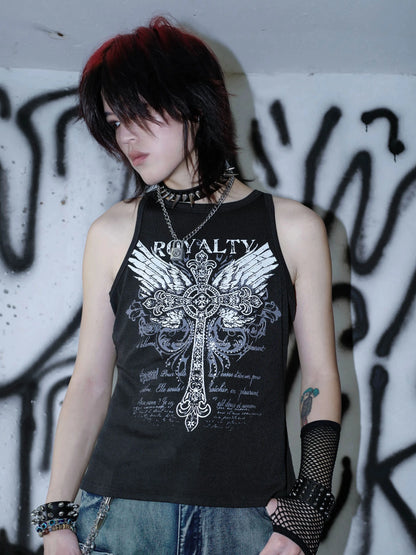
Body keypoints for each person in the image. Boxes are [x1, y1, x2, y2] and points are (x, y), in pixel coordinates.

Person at [32, 16, 341, 555]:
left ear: (194, 103)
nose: (125, 137)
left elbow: (318, 377)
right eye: (114, 122)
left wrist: (309, 508)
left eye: (137, 114)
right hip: (121, 511)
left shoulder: (294, 228)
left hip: (250, 516)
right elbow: (90, 382)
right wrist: (56, 517)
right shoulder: (112, 232)